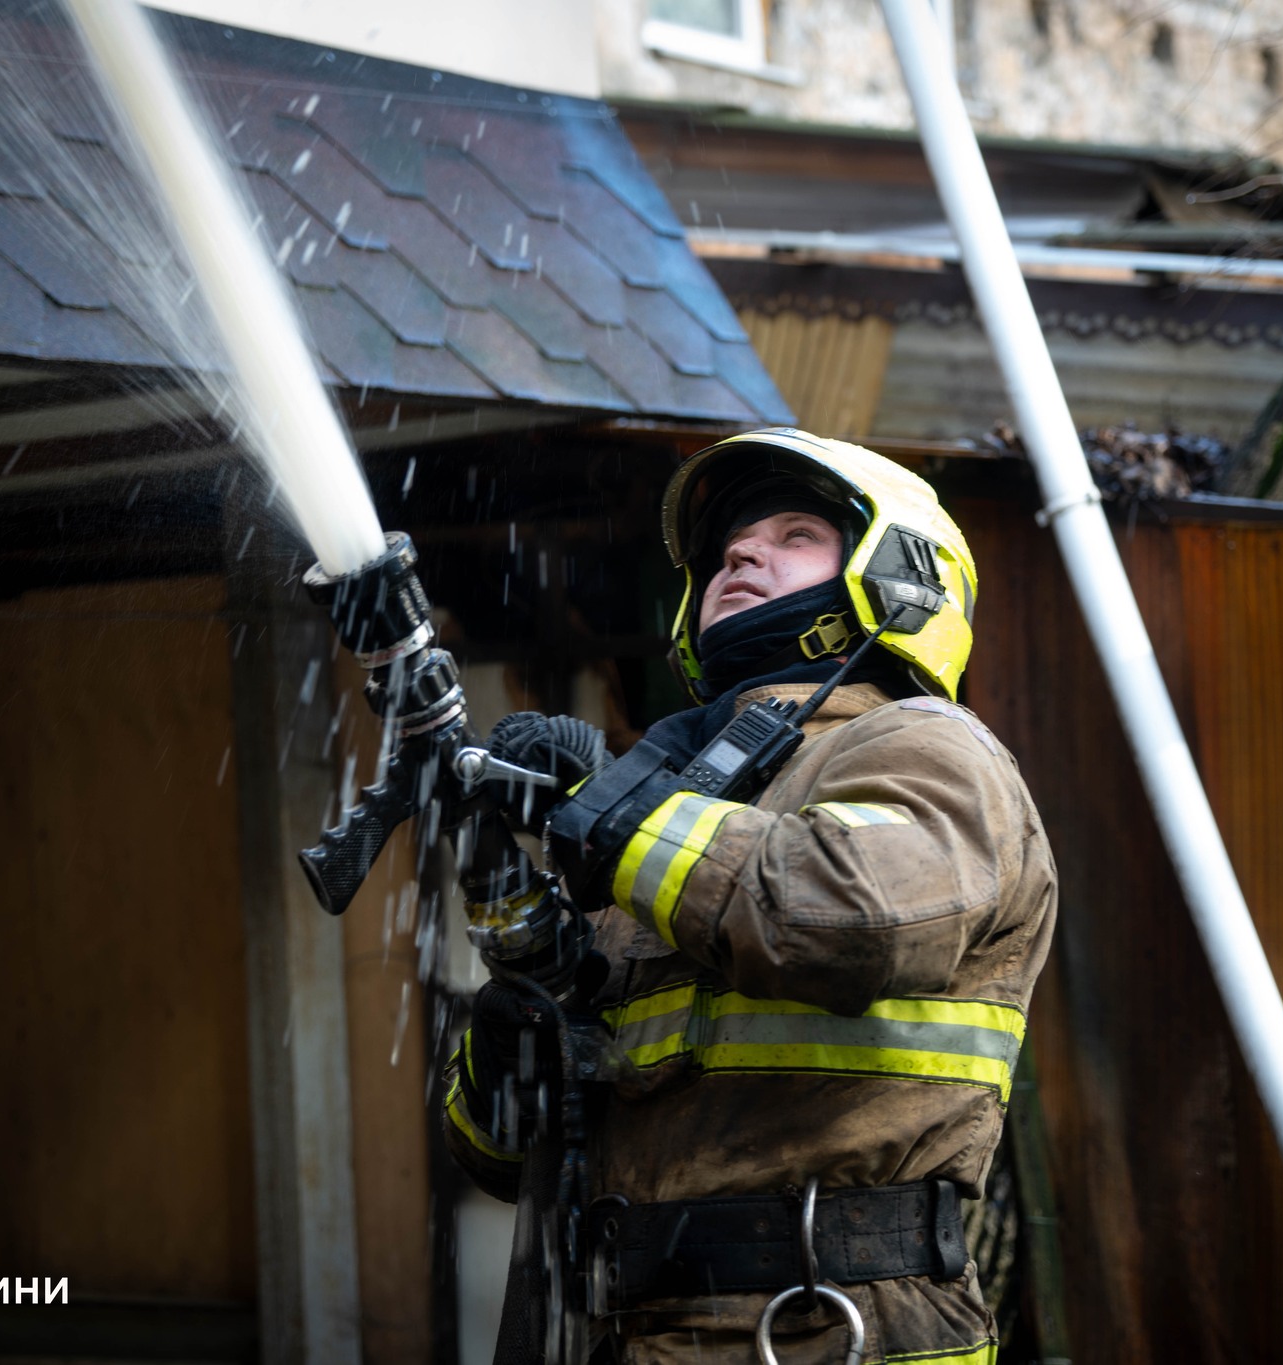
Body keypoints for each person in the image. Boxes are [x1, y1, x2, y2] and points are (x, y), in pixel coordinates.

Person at [442, 429, 1057, 1365]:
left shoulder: (925, 746)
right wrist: (503, 1059)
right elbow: (495, 1162)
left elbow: (850, 916)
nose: (740, 552)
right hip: (625, 1333)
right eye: (731, 542)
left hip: (831, 1328)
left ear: (900, 574)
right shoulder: (689, 802)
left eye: (796, 532)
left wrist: (613, 813)